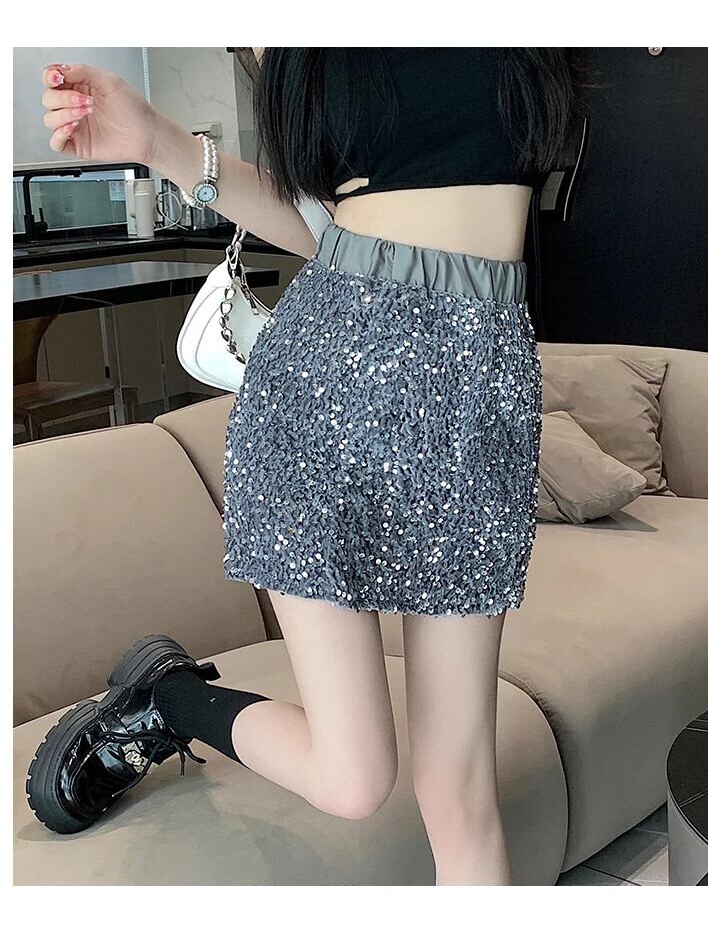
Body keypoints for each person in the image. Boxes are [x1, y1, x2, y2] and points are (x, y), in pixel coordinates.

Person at [27, 48, 586, 885]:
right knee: (354, 779)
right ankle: (164, 700)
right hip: (327, 385)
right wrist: (153, 140)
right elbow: (322, 224)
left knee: (461, 789)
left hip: (479, 396)